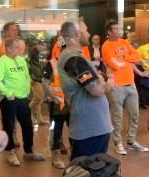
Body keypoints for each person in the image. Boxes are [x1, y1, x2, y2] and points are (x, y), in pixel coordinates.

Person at [57, 19, 113, 160]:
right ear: (77, 33)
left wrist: (101, 80)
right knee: (85, 169)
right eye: (86, 30)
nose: (89, 34)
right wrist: (103, 81)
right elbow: (97, 90)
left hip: (95, 126)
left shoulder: (77, 56)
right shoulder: (72, 58)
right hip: (89, 128)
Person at [0, 37, 45, 166]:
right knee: (8, 126)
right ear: (8, 48)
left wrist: (27, 90)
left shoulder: (21, 60)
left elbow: (27, 77)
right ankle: (10, 151)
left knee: (27, 125)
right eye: (16, 47)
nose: (20, 49)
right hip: (9, 99)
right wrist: (8, 93)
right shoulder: (2, 62)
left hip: (23, 98)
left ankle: (29, 151)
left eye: (20, 47)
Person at [101, 19, 149, 155]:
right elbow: (116, 64)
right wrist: (127, 58)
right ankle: (118, 143)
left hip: (130, 84)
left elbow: (138, 56)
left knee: (135, 114)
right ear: (109, 32)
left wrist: (124, 57)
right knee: (117, 117)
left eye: (118, 28)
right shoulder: (106, 46)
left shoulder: (124, 42)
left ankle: (131, 141)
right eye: (115, 28)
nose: (118, 30)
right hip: (116, 86)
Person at [0, 21, 26, 147]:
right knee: (9, 115)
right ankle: (11, 138)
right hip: (5, 86)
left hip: (19, 87)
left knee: (21, 114)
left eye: (16, 30)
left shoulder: (20, 45)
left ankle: (16, 138)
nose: (15, 32)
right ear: (5, 32)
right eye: (12, 29)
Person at [42, 54, 70, 168]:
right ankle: (55, 153)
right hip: (57, 102)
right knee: (56, 128)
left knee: (74, 126)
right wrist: (54, 97)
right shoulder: (51, 63)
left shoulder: (73, 60)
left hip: (71, 101)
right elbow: (45, 83)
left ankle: (75, 152)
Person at [28, 40, 48, 126]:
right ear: (39, 45)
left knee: (39, 100)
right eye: (43, 46)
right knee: (38, 98)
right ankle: (26, 112)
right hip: (34, 78)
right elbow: (31, 65)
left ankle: (39, 119)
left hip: (39, 77)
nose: (45, 48)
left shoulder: (38, 54)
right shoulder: (33, 52)